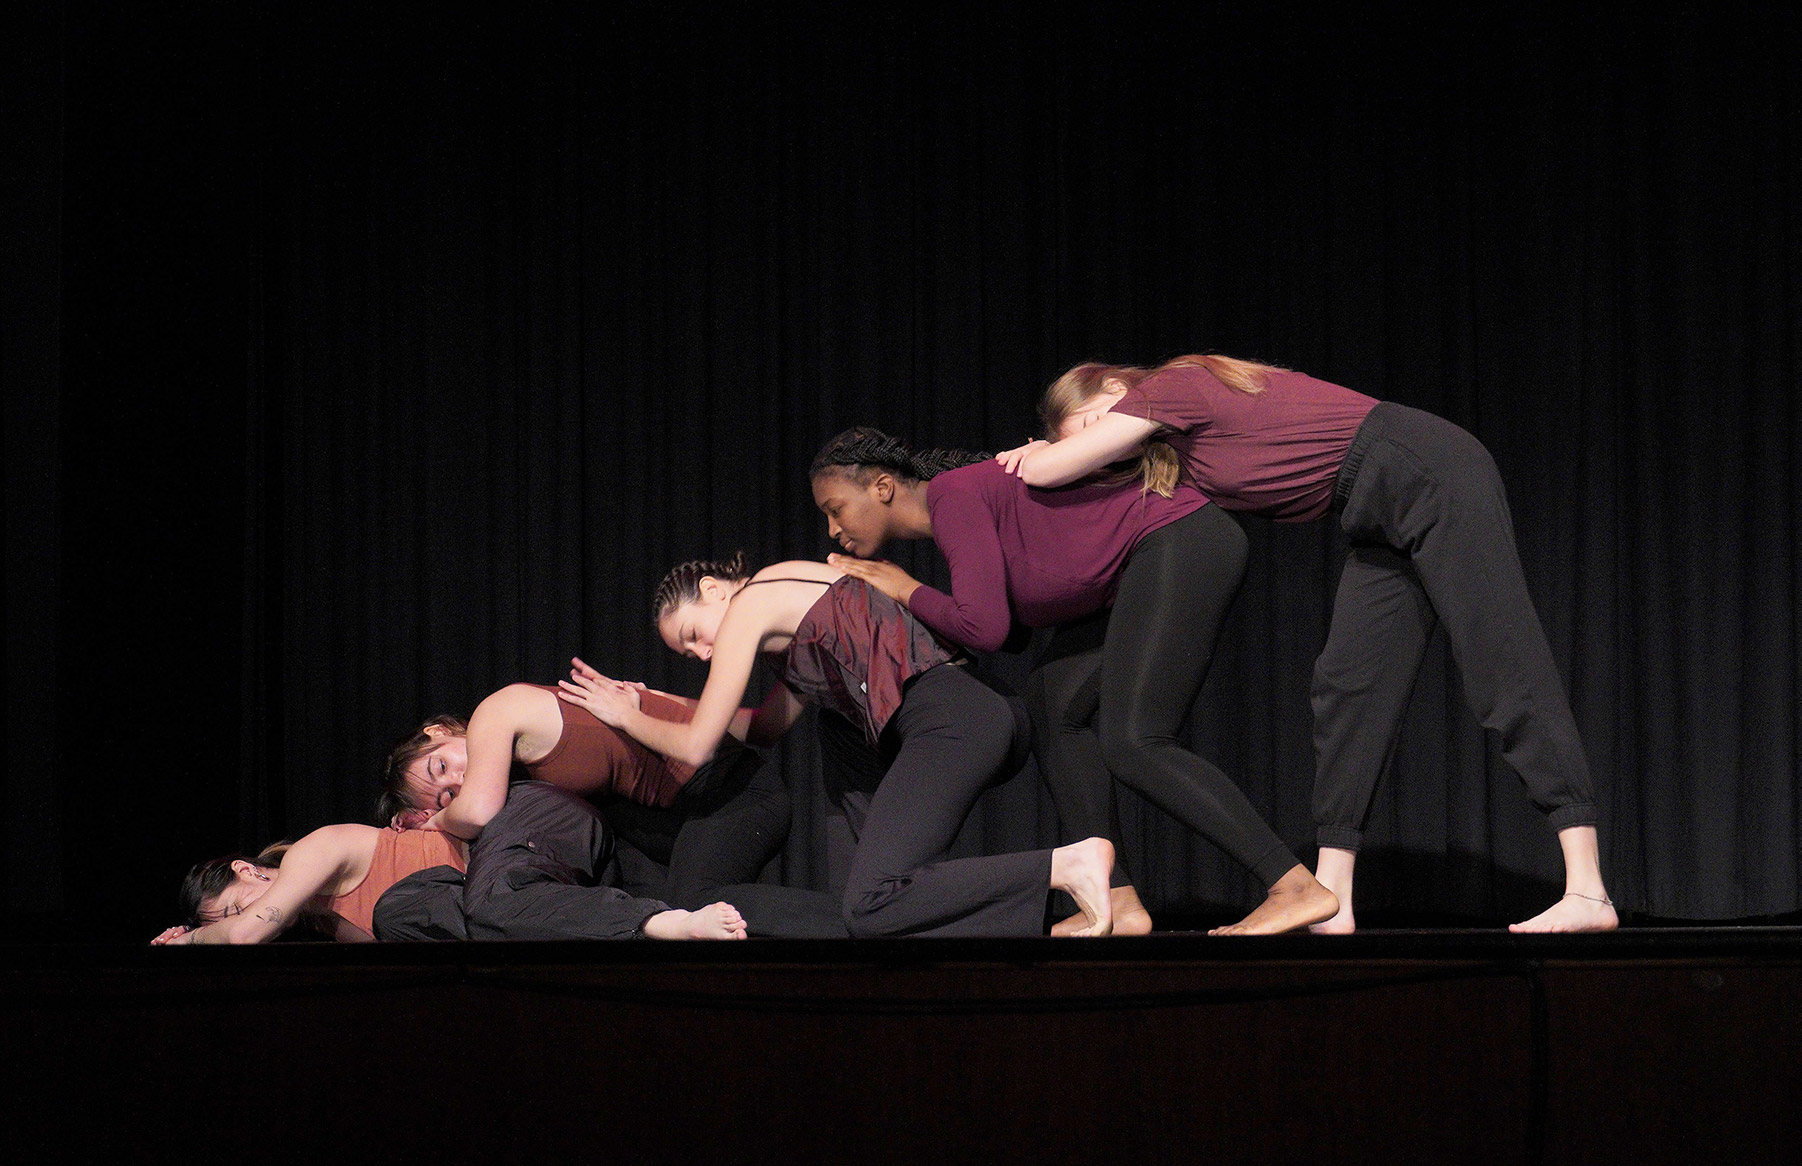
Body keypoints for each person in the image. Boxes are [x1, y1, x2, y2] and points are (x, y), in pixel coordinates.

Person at [1004, 354, 1616, 934]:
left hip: (1423, 465)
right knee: (1349, 687)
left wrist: (1041, 455)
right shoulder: (1173, 456)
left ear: (1113, 390)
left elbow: (1049, 469)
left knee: (1501, 664)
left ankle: (1587, 889)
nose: (1088, 447)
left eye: (1084, 428)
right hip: (1371, 510)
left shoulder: (1171, 386)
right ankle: (1333, 897)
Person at [811, 428, 1337, 936]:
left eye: (835, 509)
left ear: (882, 487)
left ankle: (1292, 884)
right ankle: (1117, 900)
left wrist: (906, 591)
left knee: (1135, 741)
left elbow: (985, 629)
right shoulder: (961, 503)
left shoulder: (952, 494)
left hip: (1177, 542)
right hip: (1139, 570)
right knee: (1049, 707)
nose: (833, 529)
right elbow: (1010, 627)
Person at [557, 553, 1117, 938]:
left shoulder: (754, 600)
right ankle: (1021, 913)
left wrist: (628, 718)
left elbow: (700, 745)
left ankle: (1064, 865)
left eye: (694, 636)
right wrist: (661, 702)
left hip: (952, 716)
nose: (704, 654)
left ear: (711, 589)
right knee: (868, 911)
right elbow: (762, 728)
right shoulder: (797, 623)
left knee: (872, 903)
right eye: (689, 656)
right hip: (974, 712)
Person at [382, 676, 846, 938]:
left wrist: (439, 817)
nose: (459, 782)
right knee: (669, 913)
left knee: (695, 901)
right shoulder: (521, 767)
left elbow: (479, 813)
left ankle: (854, 927)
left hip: (735, 790)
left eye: (442, 766)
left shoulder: (495, 711)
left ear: (438, 731)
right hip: (683, 814)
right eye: (445, 793)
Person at [151, 780, 747, 944]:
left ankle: (652, 925)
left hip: (531, 830)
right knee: (413, 922)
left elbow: (252, 932)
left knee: (404, 905)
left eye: (230, 908)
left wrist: (187, 944)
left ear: (250, 870)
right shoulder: (330, 924)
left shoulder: (318, 847)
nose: (237, 921)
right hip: (545, 902)